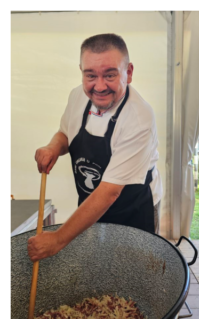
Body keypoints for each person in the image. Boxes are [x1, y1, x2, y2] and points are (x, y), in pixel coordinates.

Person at [31, 34, 162, 261]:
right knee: (98, 265)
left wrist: (57, 239)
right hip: (92, 204)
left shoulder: (138, 117)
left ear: (128, 72)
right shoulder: (77, 97)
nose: (99, 86)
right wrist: (53, 147)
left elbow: (110, 192)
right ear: (81, 71)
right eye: (90, 75)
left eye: (110, 74)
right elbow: (65, 133)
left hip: (133, 207)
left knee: (133, 273)